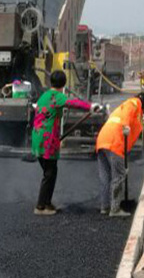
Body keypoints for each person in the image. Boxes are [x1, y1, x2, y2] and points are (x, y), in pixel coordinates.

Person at [31, 70, 100, 215]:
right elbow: (73, 103)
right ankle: (40, 207)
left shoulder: (44, 95)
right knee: (49, 173)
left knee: (51, 171)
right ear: (63, 84)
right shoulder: (58, 96)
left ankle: (47, 203)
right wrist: (91, 106)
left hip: (38, 137)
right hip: (47, 139)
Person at [96, 93, 144, 217]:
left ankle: (105, 206)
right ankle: (115, 209)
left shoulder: (129, 110)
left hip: (102, 140)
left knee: (105, 176)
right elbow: (128, 114)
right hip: (114, 142)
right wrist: (126, 126)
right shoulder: (133, 103)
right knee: (119, 176)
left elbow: (135, 128)